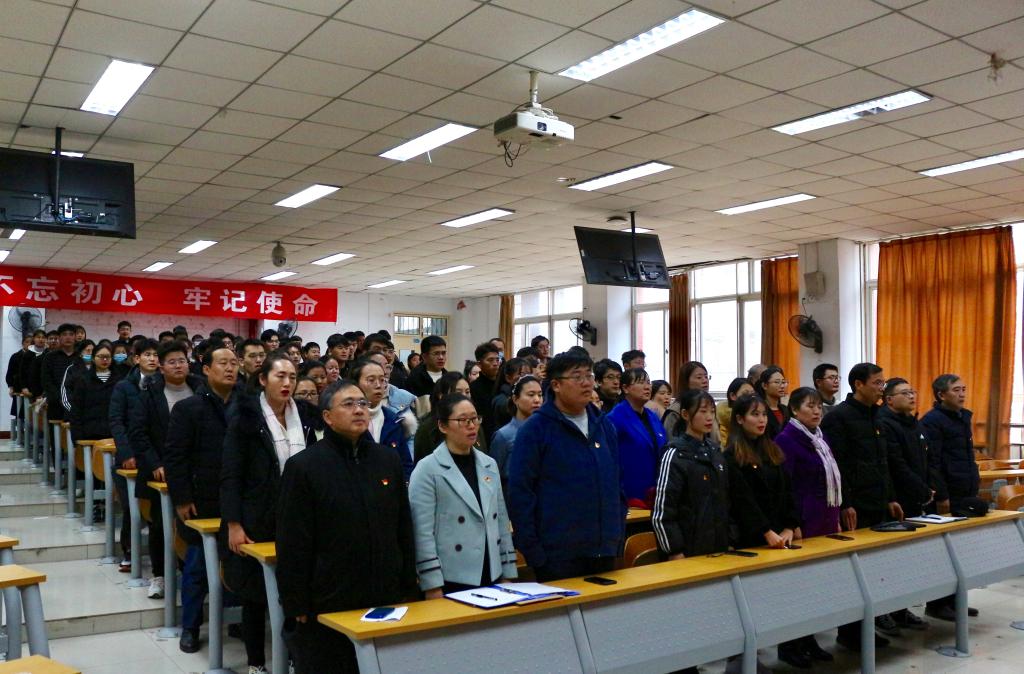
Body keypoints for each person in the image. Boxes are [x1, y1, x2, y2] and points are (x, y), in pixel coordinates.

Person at [276, 379, 416, 674]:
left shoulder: (387, 460)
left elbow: (402, 527)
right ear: (327, 416)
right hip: (329, 597)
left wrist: (407, 581)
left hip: (383, 592)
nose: (359, 410)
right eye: (349, 404)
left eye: (363, 403)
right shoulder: (304, 466)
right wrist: (295, 601)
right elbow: (292, 541)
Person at [221, 354, 317, 672]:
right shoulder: (245, 416)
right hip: (257, 517)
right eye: (280, 376)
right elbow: (231, 473)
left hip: (299, 517)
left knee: (296, 591)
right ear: (263, 379)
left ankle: (292, 656)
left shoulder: (306, 415)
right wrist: (234, 523)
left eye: (292, 377)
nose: (287, 383)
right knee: (255, 595)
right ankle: (256, 663)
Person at [508, 352, 625, 581]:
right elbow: (520, 494)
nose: (586, 383)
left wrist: (616, 534)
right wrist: (535, 554)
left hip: (604, 549)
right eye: (577, 376)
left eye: (589, 376)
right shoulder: (536, 429)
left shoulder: (604, 425)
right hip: (557, 556)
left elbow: (616, 482)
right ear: (556, 385)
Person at [820, 362, 902, 651]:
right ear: (858, 384)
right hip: (856, 507)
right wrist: (846, 503)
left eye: (883, 383)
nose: (882, 389)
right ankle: (850, 632)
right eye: (877, 383)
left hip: (878, 501)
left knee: (876, 568)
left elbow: (883, 461)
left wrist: (891, 497)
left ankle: (871, 624)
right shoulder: (839, 418)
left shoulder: (877, 415)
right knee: (854, 573)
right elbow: (838, 466)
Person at [162, 346, 239, 653]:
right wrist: (181, 498)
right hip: (201, 500)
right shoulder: (189, 408)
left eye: (234, 363)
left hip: (236, 499)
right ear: (206, 369)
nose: (230, 368)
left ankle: (236, 619)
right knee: (197, 567)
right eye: (223, 363)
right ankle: (190, 627)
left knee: (236, 561)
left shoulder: (247, 405)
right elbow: (175, 457)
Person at [724, 394, 804, 668]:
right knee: (749, 606)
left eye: (763, 415)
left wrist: (790, 525)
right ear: (739, 419)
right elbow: (742, 501)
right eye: (754, 415)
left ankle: (789, 647)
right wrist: (766, 532)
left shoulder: (772, 450)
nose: (761, 420)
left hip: (781, 538)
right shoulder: (732, 455)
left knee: (783, 600)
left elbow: (788, 490)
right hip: (752, 540)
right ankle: (743, 661)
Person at [409, 394, 517, 597]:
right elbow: (422, 532)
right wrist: (432, 585)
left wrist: (508, 571)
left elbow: (501, 522)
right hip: (452, 577)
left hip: (492, 572)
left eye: (475, 419)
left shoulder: (489, 464)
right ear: (442, 426)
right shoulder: (427, 469)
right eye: (463, 420)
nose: (472, 425)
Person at [129, 340, 203, 600]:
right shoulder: (149, 394)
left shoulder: (200, 389)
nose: (178, 366)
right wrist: (156, 464)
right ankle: (159, 575)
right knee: (161, 524)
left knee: (191, 525)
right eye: (172, 362)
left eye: (182, 360)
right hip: (160, 471)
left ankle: (189, 573)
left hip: (196, 472)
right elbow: (139, 433)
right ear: (161, 367)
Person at [776, 386, 842, 664]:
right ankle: (789, 645)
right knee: (797, 587)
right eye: (809, 406)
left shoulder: (819, 439)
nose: (816, 411)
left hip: (824, 519)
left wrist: (836, 517)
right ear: (794, 410)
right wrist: (792, 522)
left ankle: (809, 638)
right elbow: (785, 488)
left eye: (818, 406)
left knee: (817, 586)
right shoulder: (786, 440)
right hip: (804, 523)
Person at [922, 373, 981, 622]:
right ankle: (937, 604)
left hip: (965, 489)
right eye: (956, 390)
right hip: (948, 494)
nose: (962, 394)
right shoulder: (932, 421)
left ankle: (956, 601)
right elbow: (933, 462)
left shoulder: (963, 417)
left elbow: (966, 455)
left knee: (960, 550)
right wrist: (942, 494)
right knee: (942, 553)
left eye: (963, 389)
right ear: (941, 395)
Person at [877, 378, 932, 631]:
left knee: (908, 561)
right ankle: (884, 612)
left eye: (913, 391)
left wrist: (928, 487)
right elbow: (896, 465)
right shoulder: (885, 423)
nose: (912, 396)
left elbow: (926, 460)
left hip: (916, 498)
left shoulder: (914, 423)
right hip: (897, 499)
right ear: (889, 399)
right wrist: (921, 489)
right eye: (905, 393)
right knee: (889, 562)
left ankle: (901, 609)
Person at [651, 388, 729, 559]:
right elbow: (662, 512)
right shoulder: (674, 453)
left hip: (719, 546)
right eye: (703, 411)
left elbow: (726, 501)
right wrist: (674, 551)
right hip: (687, 548)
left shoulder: (715, 451)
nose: (709, 417)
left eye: (712, 412)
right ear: (685, 414)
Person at [109, 338, 159, 571]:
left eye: (156, 355)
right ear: (137, 358)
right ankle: (129, 551)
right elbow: (116, 421)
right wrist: (126, 452)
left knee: (155, 508)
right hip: (129, 457)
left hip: (154, 455)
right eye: (147, 355)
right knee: (132, 507)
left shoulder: (162, 384)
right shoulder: (124, 386)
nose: (152, 359)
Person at [607, 369, 668, 507]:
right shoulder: (615, 417)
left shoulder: (652, 416)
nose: (647, 387)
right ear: (625, 388)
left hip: (657, 489)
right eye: (641, 382)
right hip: (630, 491)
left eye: (648, 382)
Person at [351, 358, 414, 481]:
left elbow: (405, 463)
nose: (379, 385)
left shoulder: (393, 420)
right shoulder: (348, 420)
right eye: (371, 380)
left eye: (382, 379)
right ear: (355, 384)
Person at [489, 374, 542, 485]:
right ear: (515, 399)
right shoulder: (503, 435)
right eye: (531, 395)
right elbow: (492, 476)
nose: (537, 400)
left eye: (540, 395)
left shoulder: (545, 431)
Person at [414, 372, 477, 464]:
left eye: (467, 392)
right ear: (441, 396)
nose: (464, 396)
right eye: (458, 392)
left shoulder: (475, 422)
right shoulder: (427, 428)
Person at [663, 361, 718, 445]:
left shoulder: (709, 407)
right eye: (699, 377)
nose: (705, 380)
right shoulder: (675, 411)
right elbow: (671, 442)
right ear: (686, 381)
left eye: (706, 377)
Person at [40, 323, 77, 422]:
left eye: (71, 334)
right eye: (64, 334)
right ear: (59, 337)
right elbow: (46, 380)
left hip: (77, 403)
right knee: (55, 431)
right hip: (56, 403)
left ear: (75, 337)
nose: (68, 337)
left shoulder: (80, 357)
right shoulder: (50, 357)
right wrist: (59, 397)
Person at [490, 357, 532, 433]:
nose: (527, 379)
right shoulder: (501, 400)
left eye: (529, 375)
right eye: (522, 375)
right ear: (508, 378)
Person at [470, 342, 502, 441]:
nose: (495, 363)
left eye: (497, 359)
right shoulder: (474, 388)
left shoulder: (504, 384)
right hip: (484, 435)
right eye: (490, 360)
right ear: (479, 364)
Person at [717, 377, 754, 447]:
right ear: (732, 396)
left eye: (752, 394)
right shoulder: (722, 419)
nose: (750, 398)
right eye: (745, 394)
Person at [754, 366, 789, 439]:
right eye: (777, 382)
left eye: (783, 382)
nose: (782, 386)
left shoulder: (785, 409)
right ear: (765, 386)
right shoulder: (760, 409)